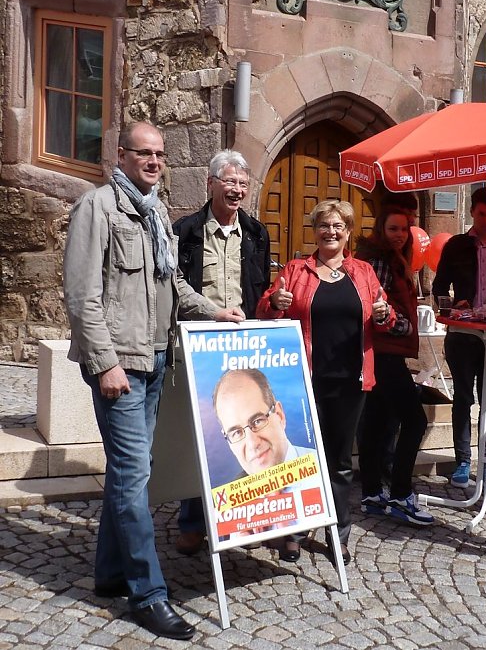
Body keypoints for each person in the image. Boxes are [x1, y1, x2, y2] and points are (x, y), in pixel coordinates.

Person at [63, 122, 245, 640]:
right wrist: (105, 364)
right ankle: (148, 593)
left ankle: (109, 573)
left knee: (130, 472)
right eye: (144, 153)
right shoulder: (98, 208)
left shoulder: (154, 212)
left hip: (155, 359)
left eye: (160, 154)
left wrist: (215, 311)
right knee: (133, 476)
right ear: (121, 155)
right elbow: (81, 296)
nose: (154, 161)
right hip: (119, 365)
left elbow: (173, 284)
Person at [256, 200, 394, 564]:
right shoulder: (296, 269)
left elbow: (385, 314)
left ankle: (337, 532)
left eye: (338, 226)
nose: (331, 232)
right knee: (300, 457)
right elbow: (265, 308)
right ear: (314, 230)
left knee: (339, 462)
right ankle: (294, 532)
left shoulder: (363, 272)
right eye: (324, 226)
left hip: (351, 381)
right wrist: (276, 302)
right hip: (304, 380)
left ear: (348, 232)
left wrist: (384, 314)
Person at [172, 150, 271, 556]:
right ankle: (193, 521)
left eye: (243, 184)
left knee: (245, 426)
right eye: (229, 182)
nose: (237, 189)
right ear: (210, 184)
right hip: (201, 346)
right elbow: (175, 288)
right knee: (201, 433)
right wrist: (212, 314)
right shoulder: (186, 231)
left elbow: (261, 286)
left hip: (243, 348)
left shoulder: (256, 232)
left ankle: (245, 514)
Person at [431, 187, 486, 487]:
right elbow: (439, 288)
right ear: (472, 212)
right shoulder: (457, 245)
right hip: (462, 333)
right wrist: (454, 304)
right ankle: (462, 460)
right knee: (462, 397)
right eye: (482, 214)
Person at [355, 192, 434, 526]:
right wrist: (402, 325)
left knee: (375, 423)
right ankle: (401, 494)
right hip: (385, 352)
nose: (400, 234)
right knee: (414, 420)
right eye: (393, 228)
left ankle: (373, 493)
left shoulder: (395, 257)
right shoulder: (382, 261)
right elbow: (376, 308)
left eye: (404, 228)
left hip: (385, 353)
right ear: (381, 229)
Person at [212, 369, 321, 536]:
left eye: (257, 421)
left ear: (279, 415)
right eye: (236, 433)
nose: (252, 444)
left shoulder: (319, 472)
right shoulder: (229, 506)